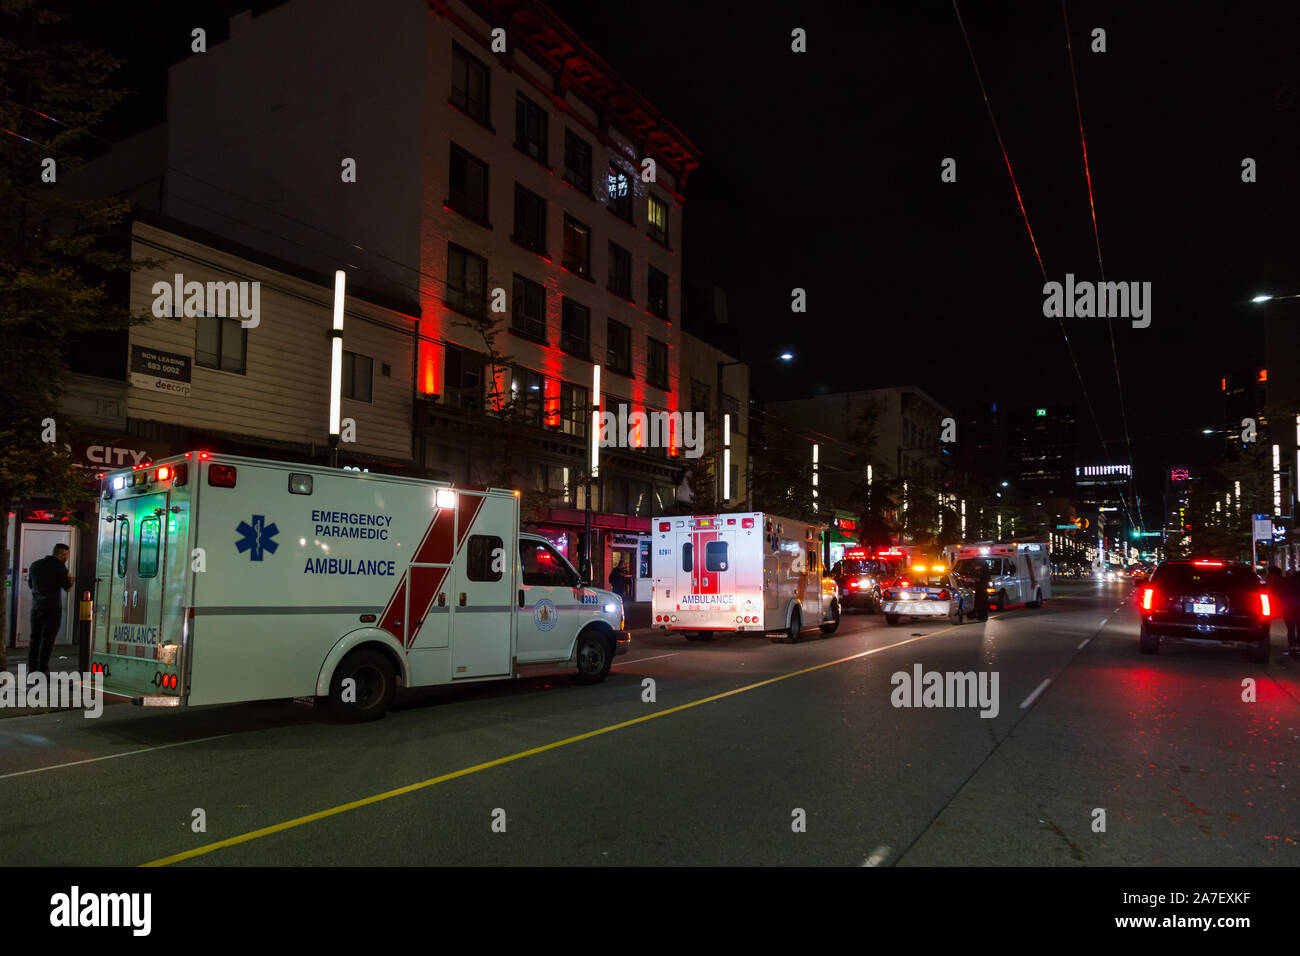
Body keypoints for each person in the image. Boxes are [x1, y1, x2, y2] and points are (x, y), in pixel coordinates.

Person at [27, 543, 74, 676]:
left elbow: (31, 585)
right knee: (47, 640)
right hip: (52, 608)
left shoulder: (35, 565)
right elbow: (68, 588)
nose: (67, 558)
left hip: (36, 607)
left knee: (34, 639)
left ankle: (31, 670)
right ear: (62, 554)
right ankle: (42, 671)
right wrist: (71, 579)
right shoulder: (60, 567)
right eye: (67, 555)